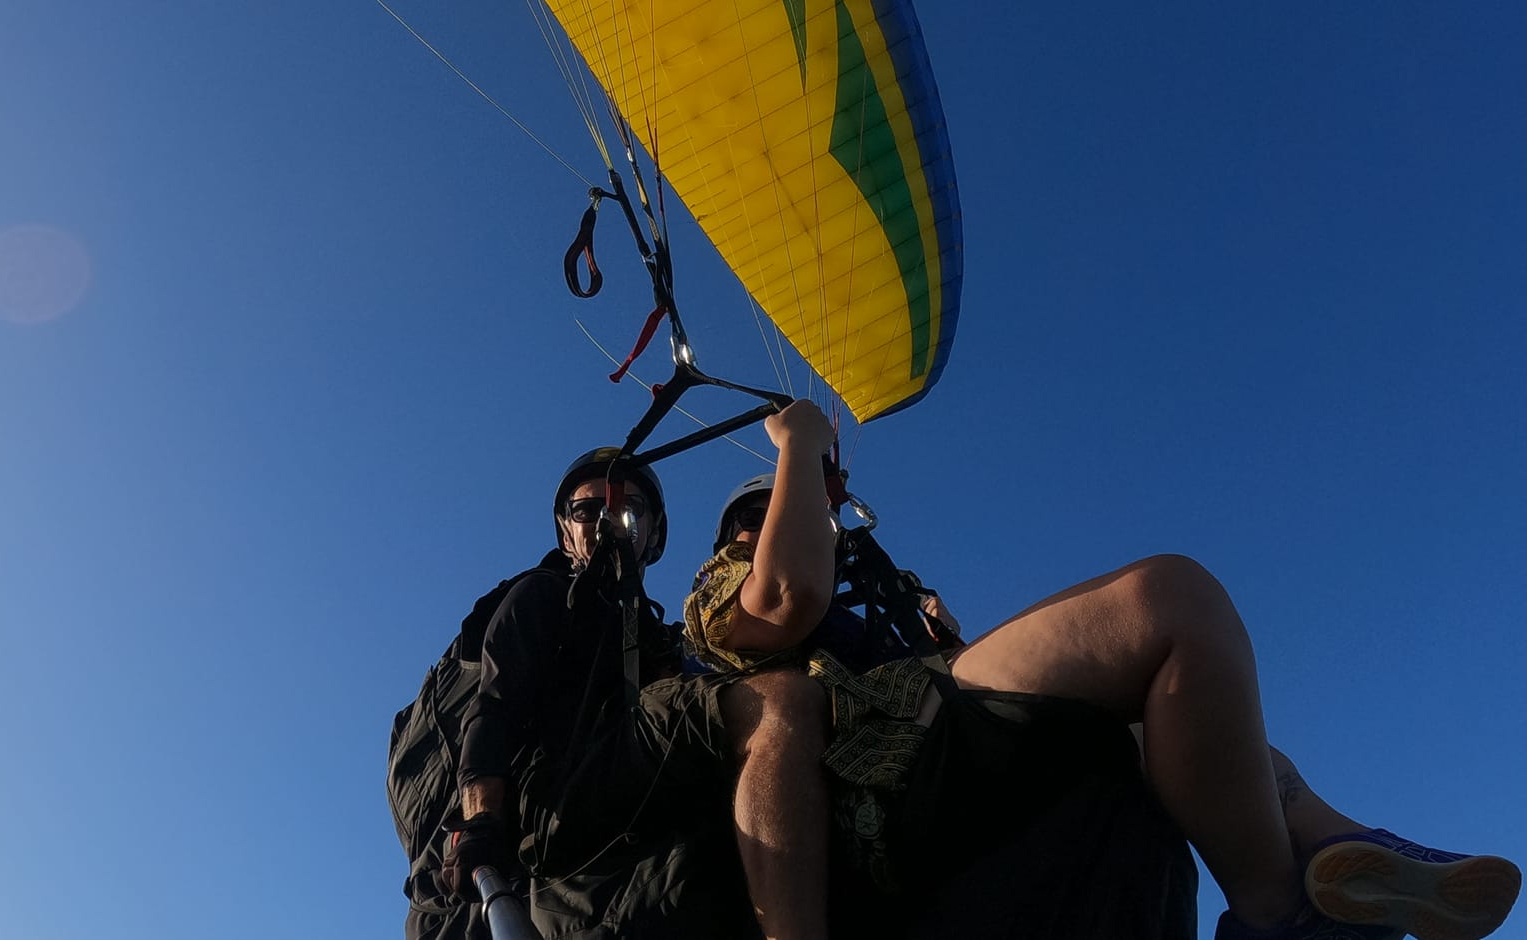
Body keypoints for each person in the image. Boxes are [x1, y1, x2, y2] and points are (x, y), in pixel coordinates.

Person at [688, 401, 1521, 940]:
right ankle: (1280, 913)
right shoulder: (723, 590)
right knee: (1172, 601)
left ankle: (1339, 844)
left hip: (940, 728)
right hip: (873, 768)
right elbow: (791, 591)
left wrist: (943, 637)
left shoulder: (884, 602)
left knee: (1192, 683)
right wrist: (800, 442)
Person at [445, 447, 841, 940]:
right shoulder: (542, 596)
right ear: (566, 531)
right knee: (775, 705)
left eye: (629, 506)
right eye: (585, 510)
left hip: (640, 794)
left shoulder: (662, 637)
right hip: (562, 796)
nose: (608, 518)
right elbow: (494, 707)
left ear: (654, 532)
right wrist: (481, 820)